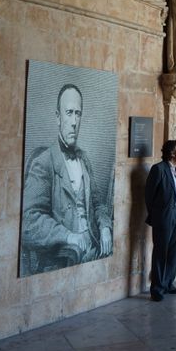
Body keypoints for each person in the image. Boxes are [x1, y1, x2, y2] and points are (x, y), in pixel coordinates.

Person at [21, 84, 113, 275]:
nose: (73, 121)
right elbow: (29, 220)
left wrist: (105, 228)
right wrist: (68, 236)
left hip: (93, 247)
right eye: (69, 113)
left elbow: (98, 205)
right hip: (63, 258)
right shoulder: (44, 162)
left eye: (77, 114)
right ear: (58, 117)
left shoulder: (84, 159)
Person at [145, 139, 176, 301]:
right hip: (164, 215)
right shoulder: (158, 169)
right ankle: (157, 288)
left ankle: (169, 283)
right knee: (161, 251)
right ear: (172, 153)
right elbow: (149, 196)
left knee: (174, 251)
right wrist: (158, 214)